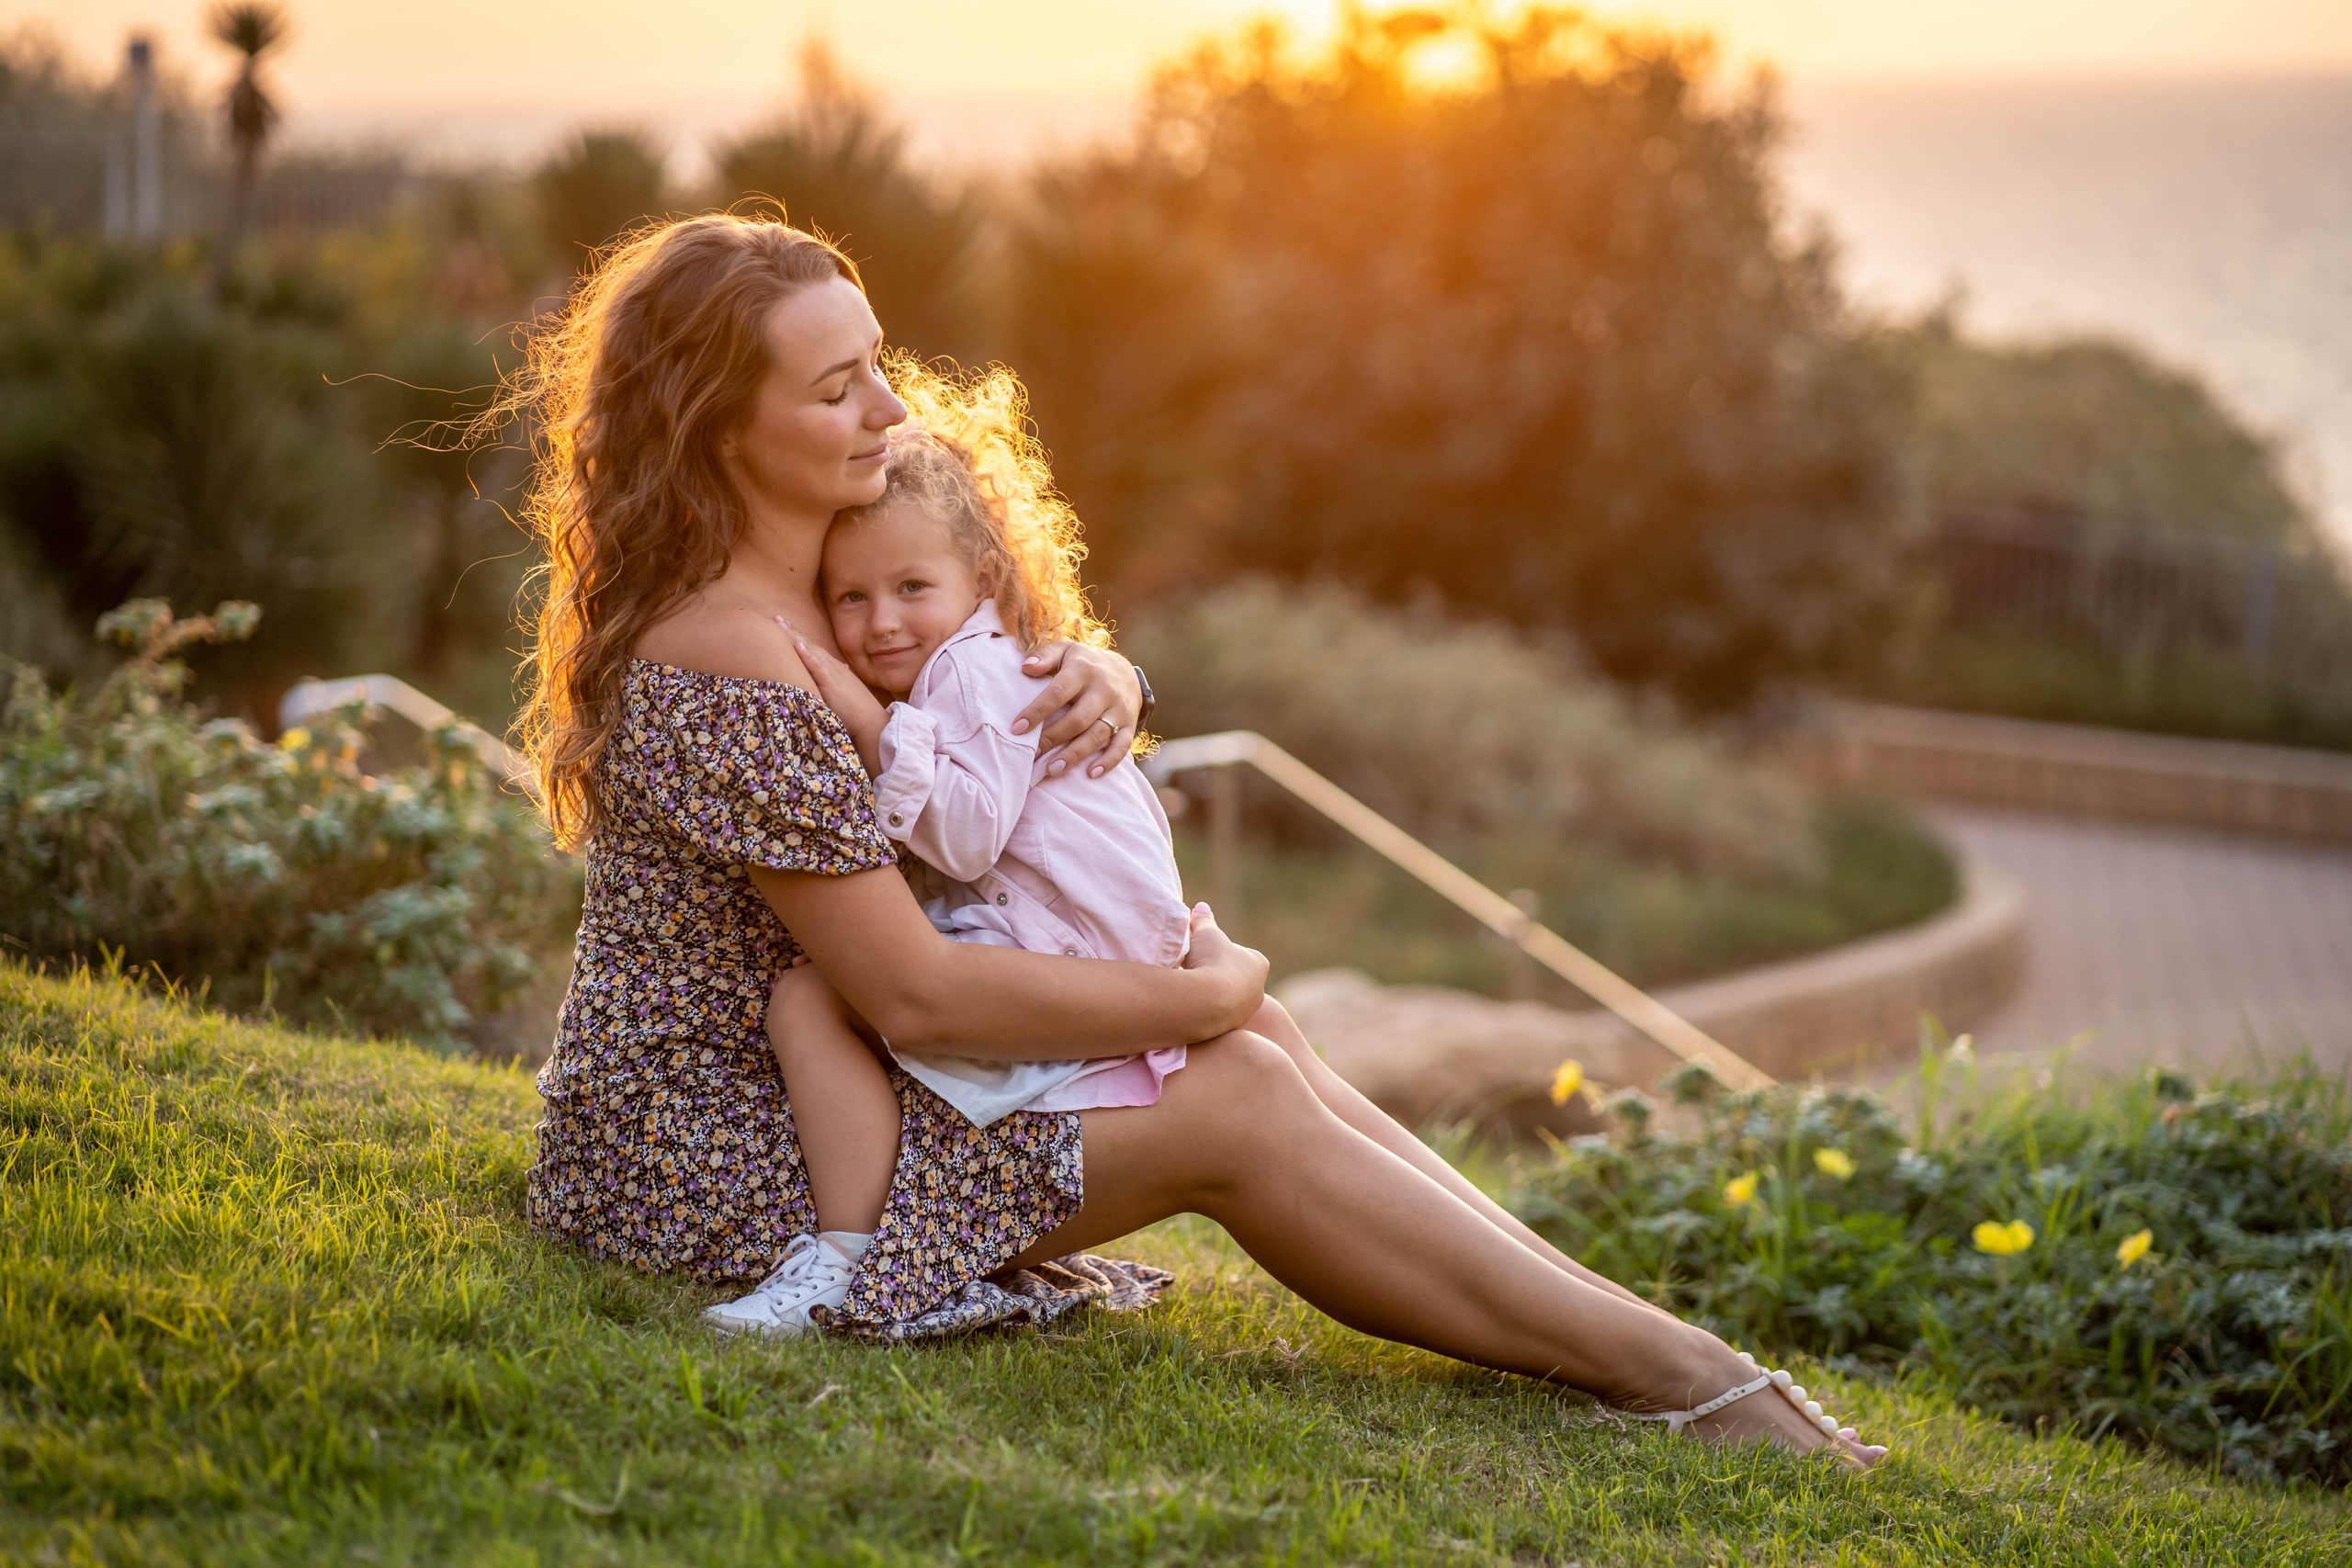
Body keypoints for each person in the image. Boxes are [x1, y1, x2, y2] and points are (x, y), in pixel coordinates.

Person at [510, 211, 1883, 1462]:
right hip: (711, 1155)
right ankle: (1683, 1378)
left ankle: (1653, 1349)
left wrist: (1109, 677)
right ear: (716, 427)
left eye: (878, 363)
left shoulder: (830, 585)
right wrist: (1195, 990)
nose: (887, 406)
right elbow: (911, 988)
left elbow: (984, 692)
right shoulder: (730, 649)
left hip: (847, 1091)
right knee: (1237, 1075)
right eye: (833, 388)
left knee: (1265, 1046)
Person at [713, 392, 1200, 1333]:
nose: (881, 623)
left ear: (980, 578)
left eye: (910, 589)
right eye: (850, 598)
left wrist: (866, 720)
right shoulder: (964, 662)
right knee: (839, 987)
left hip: (1074, 946)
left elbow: (969, 836)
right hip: (1083, 931)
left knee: (810, 1000)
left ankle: (846, 1261)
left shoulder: (971, 674)